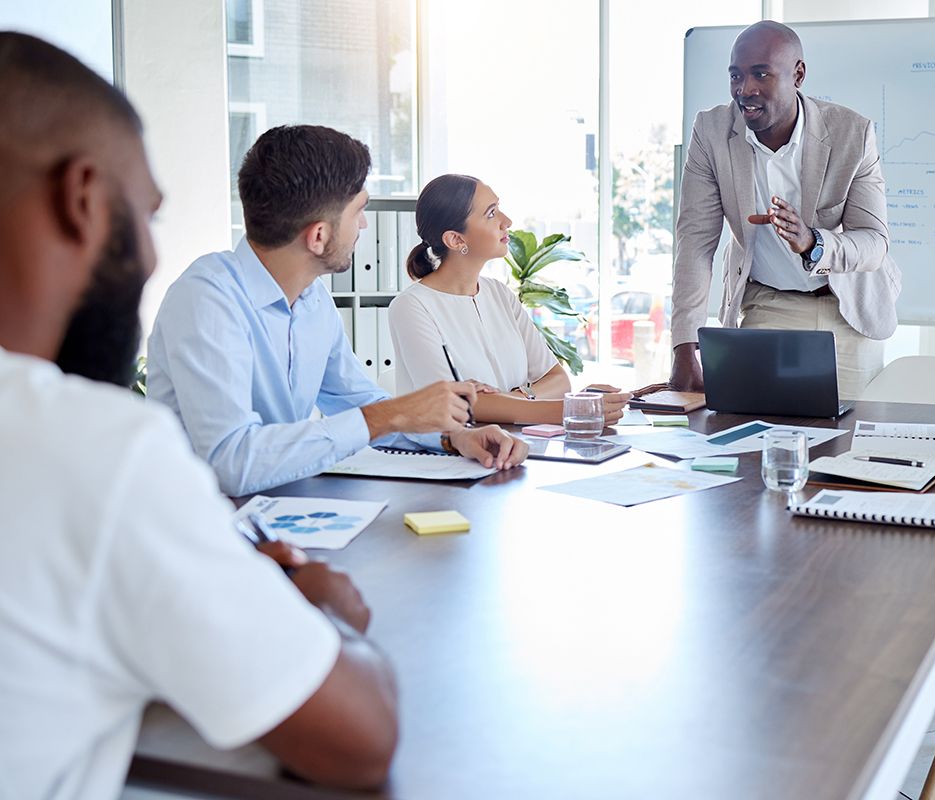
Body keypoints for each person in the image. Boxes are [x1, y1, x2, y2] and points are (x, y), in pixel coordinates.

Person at [0, 32, 398, 797]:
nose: (151, 256)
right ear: (83, 200)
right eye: (146, 214)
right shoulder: (95, 449)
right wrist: (320, 611)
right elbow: (362, 738)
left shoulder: (314, 304)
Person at [147, 128, 528, 497]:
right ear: (318, 236)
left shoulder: (312, 300)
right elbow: (231, 462)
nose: (364, 224)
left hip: (276, 510)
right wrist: (390, 415)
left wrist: (453, 438)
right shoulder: (207, 299)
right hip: (200, 524)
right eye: (358, 211)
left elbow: (357, 400)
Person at [669, 20, 900, 400]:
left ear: (798, 74)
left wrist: (814, 243)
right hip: (769, 304)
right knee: (759, 437)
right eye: (736, 76)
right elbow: (695, 242)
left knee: (850, 444)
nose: (745, 90)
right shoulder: (711, 132)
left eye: (761, 74)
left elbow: (874, 243)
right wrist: (683, 347)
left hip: (848, 307)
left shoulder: (851, 133)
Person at [389, 174, 631, 425]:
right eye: (491, 213)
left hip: (517, 448)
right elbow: (452, 404)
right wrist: (572, 409)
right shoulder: (412, 307)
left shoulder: (500, 295)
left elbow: (558, 380)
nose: (507, 221)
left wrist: (511, 399)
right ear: (455, 239)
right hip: (451, 456)